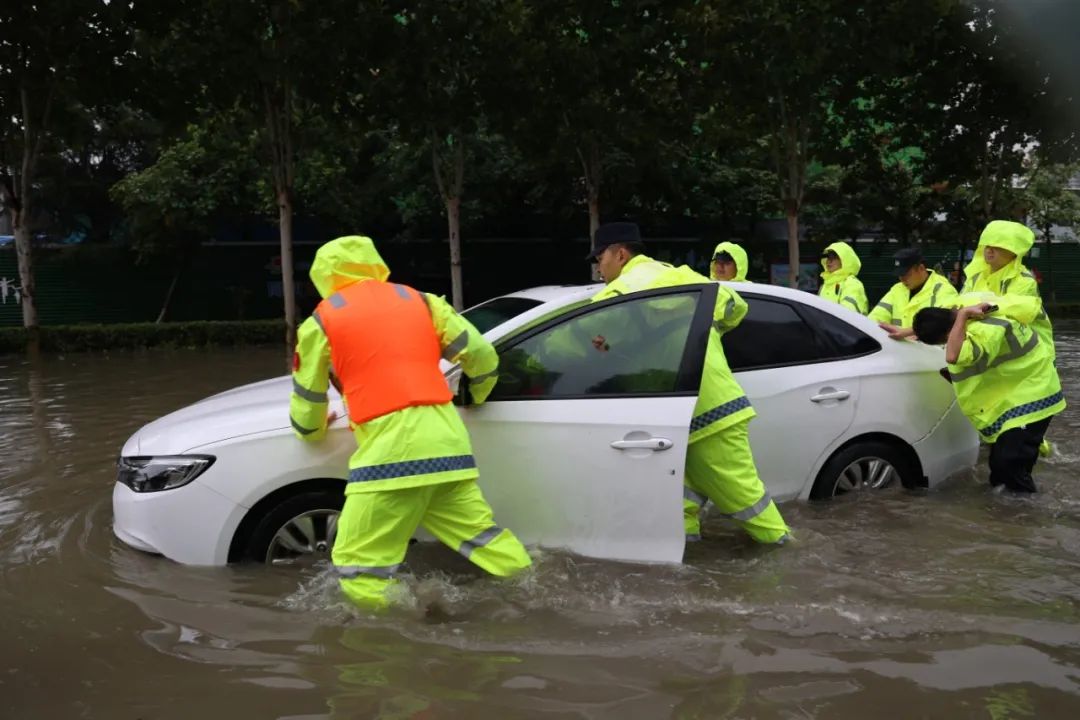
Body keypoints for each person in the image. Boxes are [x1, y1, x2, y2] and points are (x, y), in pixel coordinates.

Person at [289, 235, 531, 609]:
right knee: (488, 542)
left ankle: (397, 641)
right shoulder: (423, 302)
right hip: (451, 450)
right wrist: (477, 395)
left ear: (324, 276)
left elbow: (307, 411)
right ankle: (535, 591)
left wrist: (314, 426)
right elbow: (482, 356)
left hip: (391, 457)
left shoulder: (320, 322)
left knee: (358, 568)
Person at [587, 222, 791, 546]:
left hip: (706, 411)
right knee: (679, 497)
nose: (598, 267)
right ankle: (687, 550)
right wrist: (705, 329)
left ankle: (785, 551)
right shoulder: (680, 275)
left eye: (600, 258)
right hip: (696, 409)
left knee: (747, 501)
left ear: (620, 254)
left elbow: (580, 338)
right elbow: (736, 305)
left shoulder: (619, 293)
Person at [912, 300, 1065, 493]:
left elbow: (953, 355)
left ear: (948, 333)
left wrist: (963, 315)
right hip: (1017, 395)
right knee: (999, 467)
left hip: (1033, 396)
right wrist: (910, 332)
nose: (946, 344)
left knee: (1010, 465)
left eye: (944, 340)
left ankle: (1025, 514)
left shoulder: (984, 331)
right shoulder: (963, 312)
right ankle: (1004, 512)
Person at [962, 220, 1055, 361]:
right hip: (994, 350)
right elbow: (959, 306)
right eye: (987, 245)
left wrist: (969, 309)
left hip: (1031, 356)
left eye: (997, 246)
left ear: (1014, 251)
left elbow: (1011, 313)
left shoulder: (1024, 280)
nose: (989, 250)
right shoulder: (975, 278)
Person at [869, 247, 958, 338]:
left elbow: (947, 323)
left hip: (928, 350)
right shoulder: (897, 289)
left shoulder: (942, 289)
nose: (902, 279)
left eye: (906, 274)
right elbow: (875, 318)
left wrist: (916, 334)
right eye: (899, 275)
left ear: (921, 268)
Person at [817, 242, 868, 314]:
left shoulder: (853, 284)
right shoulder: (825, 285)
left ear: (845, 261)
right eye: (828, 257)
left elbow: (847, 315)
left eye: (834, 257)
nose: (829, 261)